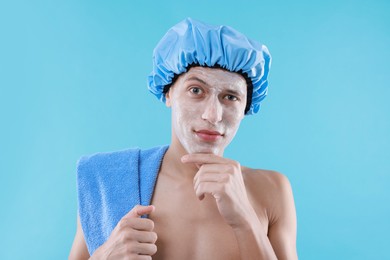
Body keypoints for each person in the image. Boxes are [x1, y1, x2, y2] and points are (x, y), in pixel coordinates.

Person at [69, 17, 297, 260]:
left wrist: (245, 220)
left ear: (246, 108)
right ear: (168, 93)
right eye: (196, 90)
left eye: (230, 97)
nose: (213, 115)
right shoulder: (106, 181)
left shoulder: (272, 191)